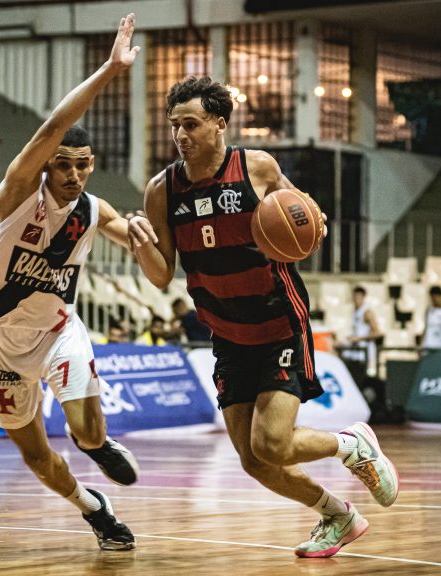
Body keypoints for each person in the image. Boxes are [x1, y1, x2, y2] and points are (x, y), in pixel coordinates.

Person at [127, 75, 399, 558]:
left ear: (220, 123)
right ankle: (338, 515)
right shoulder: (162, 190)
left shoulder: (256, 167)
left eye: (191, 124)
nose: (180, 135)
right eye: (174, 125)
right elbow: (161, 275)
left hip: (278, 324)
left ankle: (350, 445)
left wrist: (312, 223)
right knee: (253, 460)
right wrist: (142, 246)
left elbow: (304, 216)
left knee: (271, 444)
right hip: (227, 334)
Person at [0, 14, 140, 551]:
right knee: (36, 456)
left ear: (92, 165)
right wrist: (110, 70)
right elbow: (50, 129)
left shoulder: (93, 209)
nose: (73, 175)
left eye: (82, 165)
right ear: (46, 166)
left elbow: (149, 251)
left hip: (59, 331)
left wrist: (147, 233)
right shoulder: (16, 196)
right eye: (62, 165)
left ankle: (96, 445)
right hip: (1, 341)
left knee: (89, 434)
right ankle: (93, 508)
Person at [341, 286, 383, 378]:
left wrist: (359, 338)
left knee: (362, 377)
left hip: (364, 352)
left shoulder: (367, 313)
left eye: (359, 298)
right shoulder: (354, 312)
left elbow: (378, 333)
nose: (357, 300)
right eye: (355, 297)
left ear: (363, 298)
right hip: (355, 351)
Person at [421, 285, 441, 350]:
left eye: (434, 298)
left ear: (440, 296)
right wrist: (421, 345)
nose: (433, 301)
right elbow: (425, 328)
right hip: (428, 346)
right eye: (431, 298)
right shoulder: (429, 310)